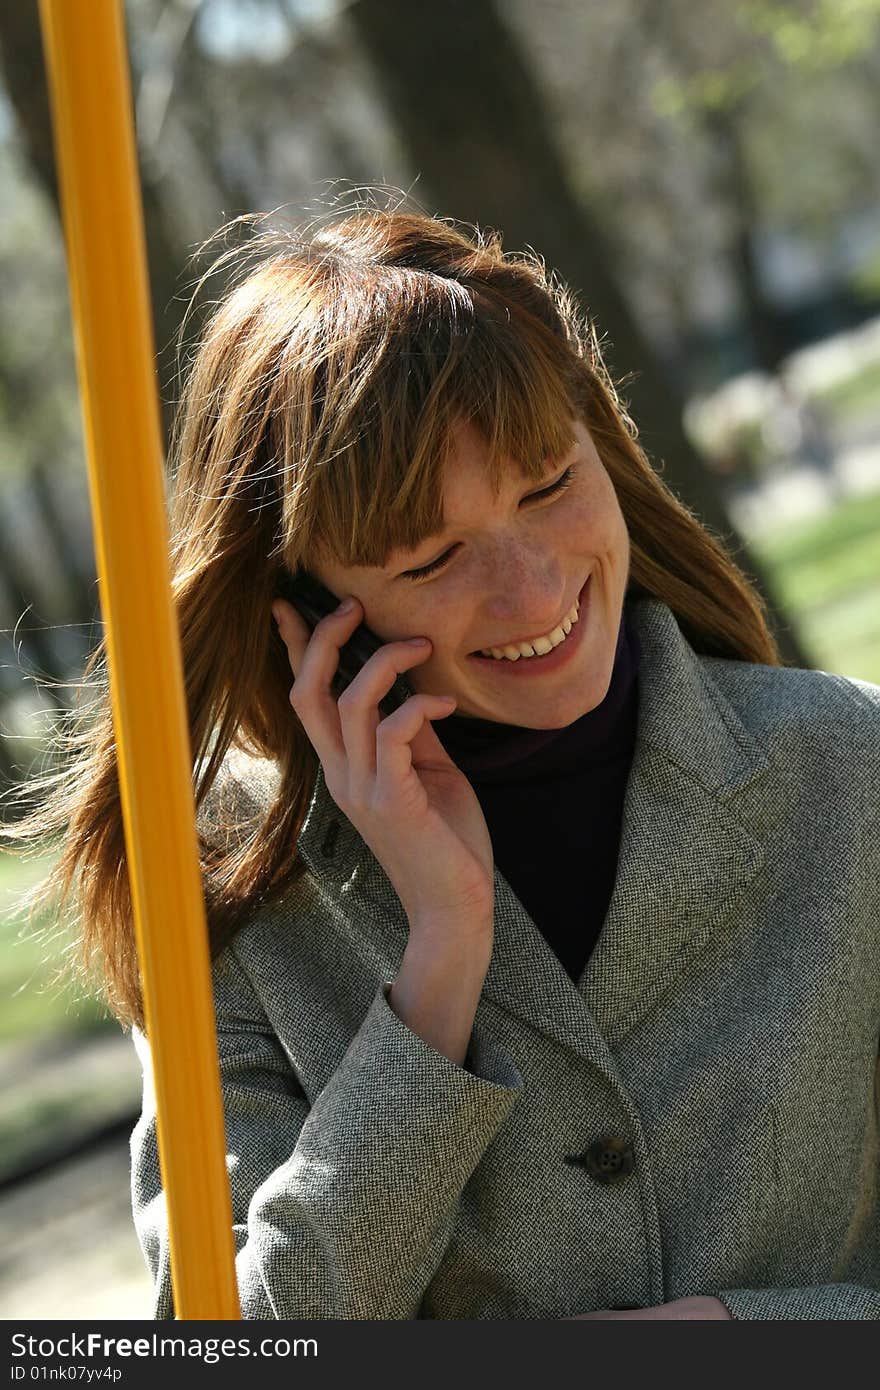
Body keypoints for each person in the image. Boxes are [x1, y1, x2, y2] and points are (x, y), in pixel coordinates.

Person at [5, 202, 878, 1321]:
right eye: (431, 556)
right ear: (306, 602)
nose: (529, 592)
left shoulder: (848, 767)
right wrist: (438, 972)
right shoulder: (215, 890)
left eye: (548, 483)